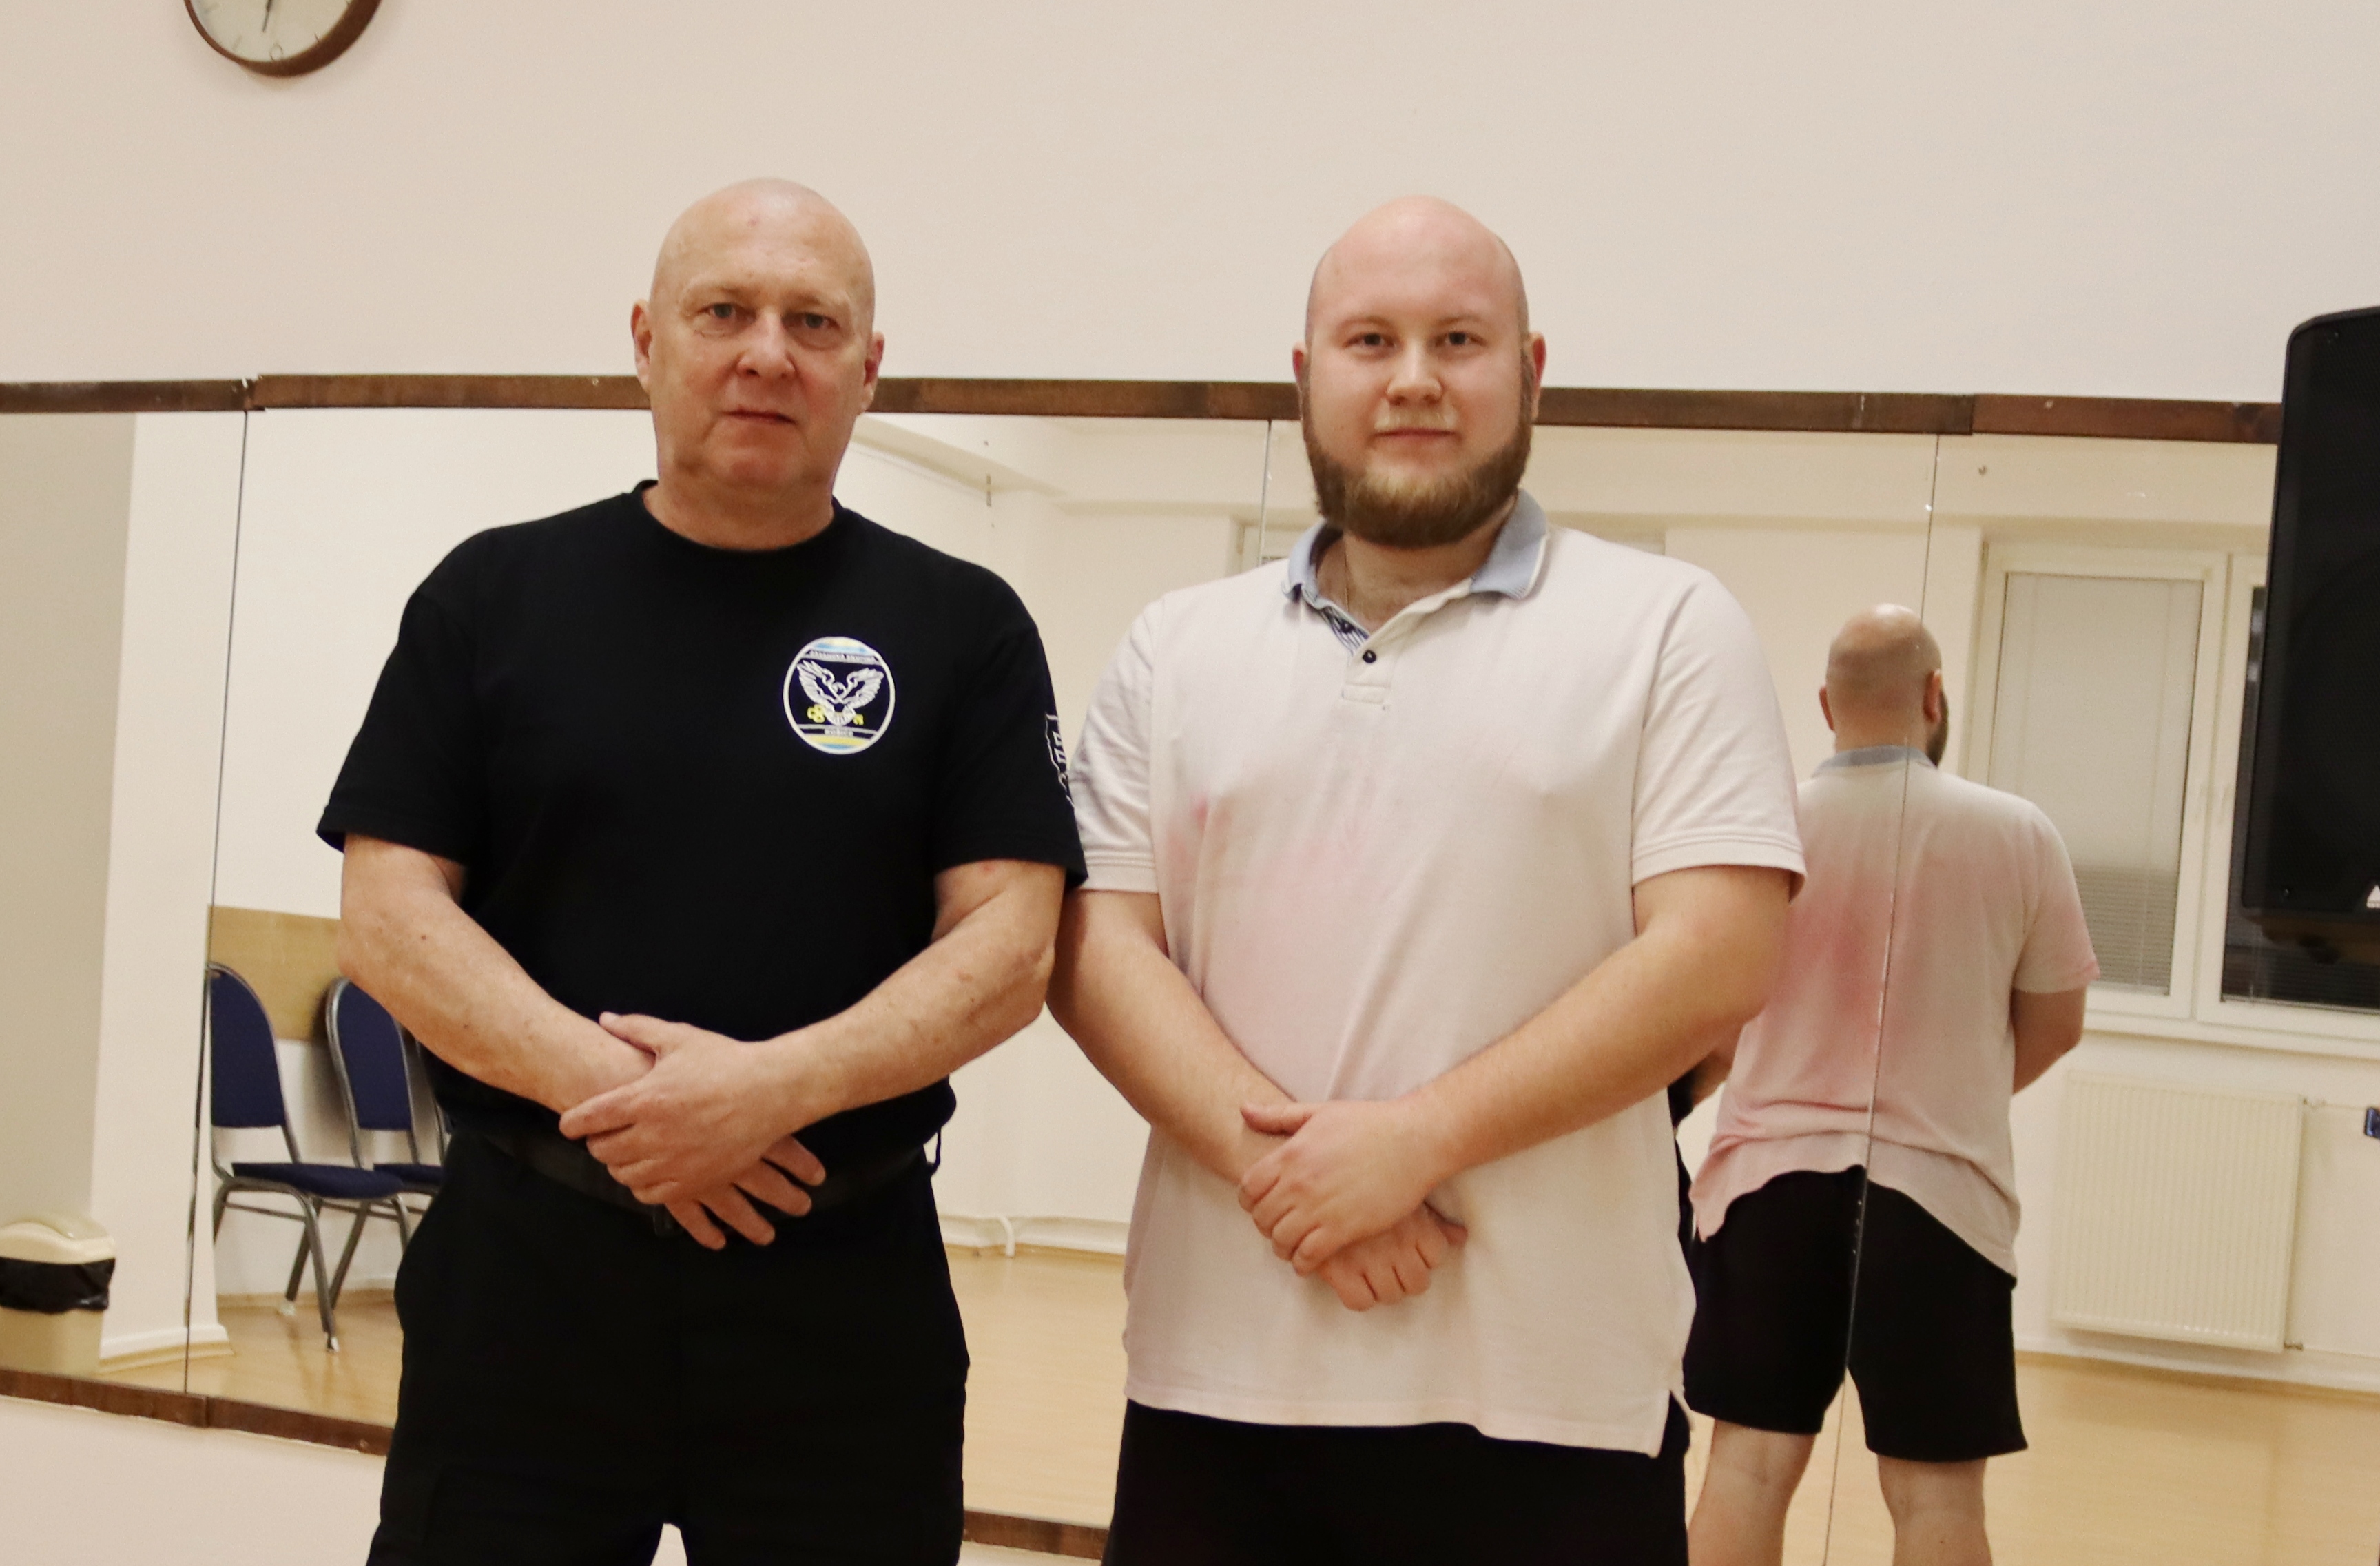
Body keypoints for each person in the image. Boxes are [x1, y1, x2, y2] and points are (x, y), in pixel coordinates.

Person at [323, 179, 1082, 1566]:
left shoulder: (963, 627)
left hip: (842, 1293)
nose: (766, 354)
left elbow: (1012, 946)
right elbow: (386, 914)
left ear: (868, 366)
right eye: (723, 311)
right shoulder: (492, 597)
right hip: (530, 1281)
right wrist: (639, 1107)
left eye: (813, 322)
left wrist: (769, 1093)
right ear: (646, 340)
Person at [1048, 195, 1806, 1565]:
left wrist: (1415, 1143)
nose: (1412, 378)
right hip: (1220, 1377)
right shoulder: (1177, 646)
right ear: (1305, 377)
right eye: (1370, 341)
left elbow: (1717, 956)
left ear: (1531, 372)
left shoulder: (1669, 626)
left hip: (1557, 1397)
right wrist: (1291, 1175)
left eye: (1459, 339)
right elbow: (1098, 947)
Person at [1684, 606, 2096, 1566]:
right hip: (1939, 1200)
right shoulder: (2018, 832)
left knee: (1748, 1468)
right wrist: (1958, 1090)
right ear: (1934, 695)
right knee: (1935, 1492)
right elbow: (2056, 1022)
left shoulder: (1764, 830)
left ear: (1827, 705)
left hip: (1766, 1191)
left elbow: (1709, 1010)